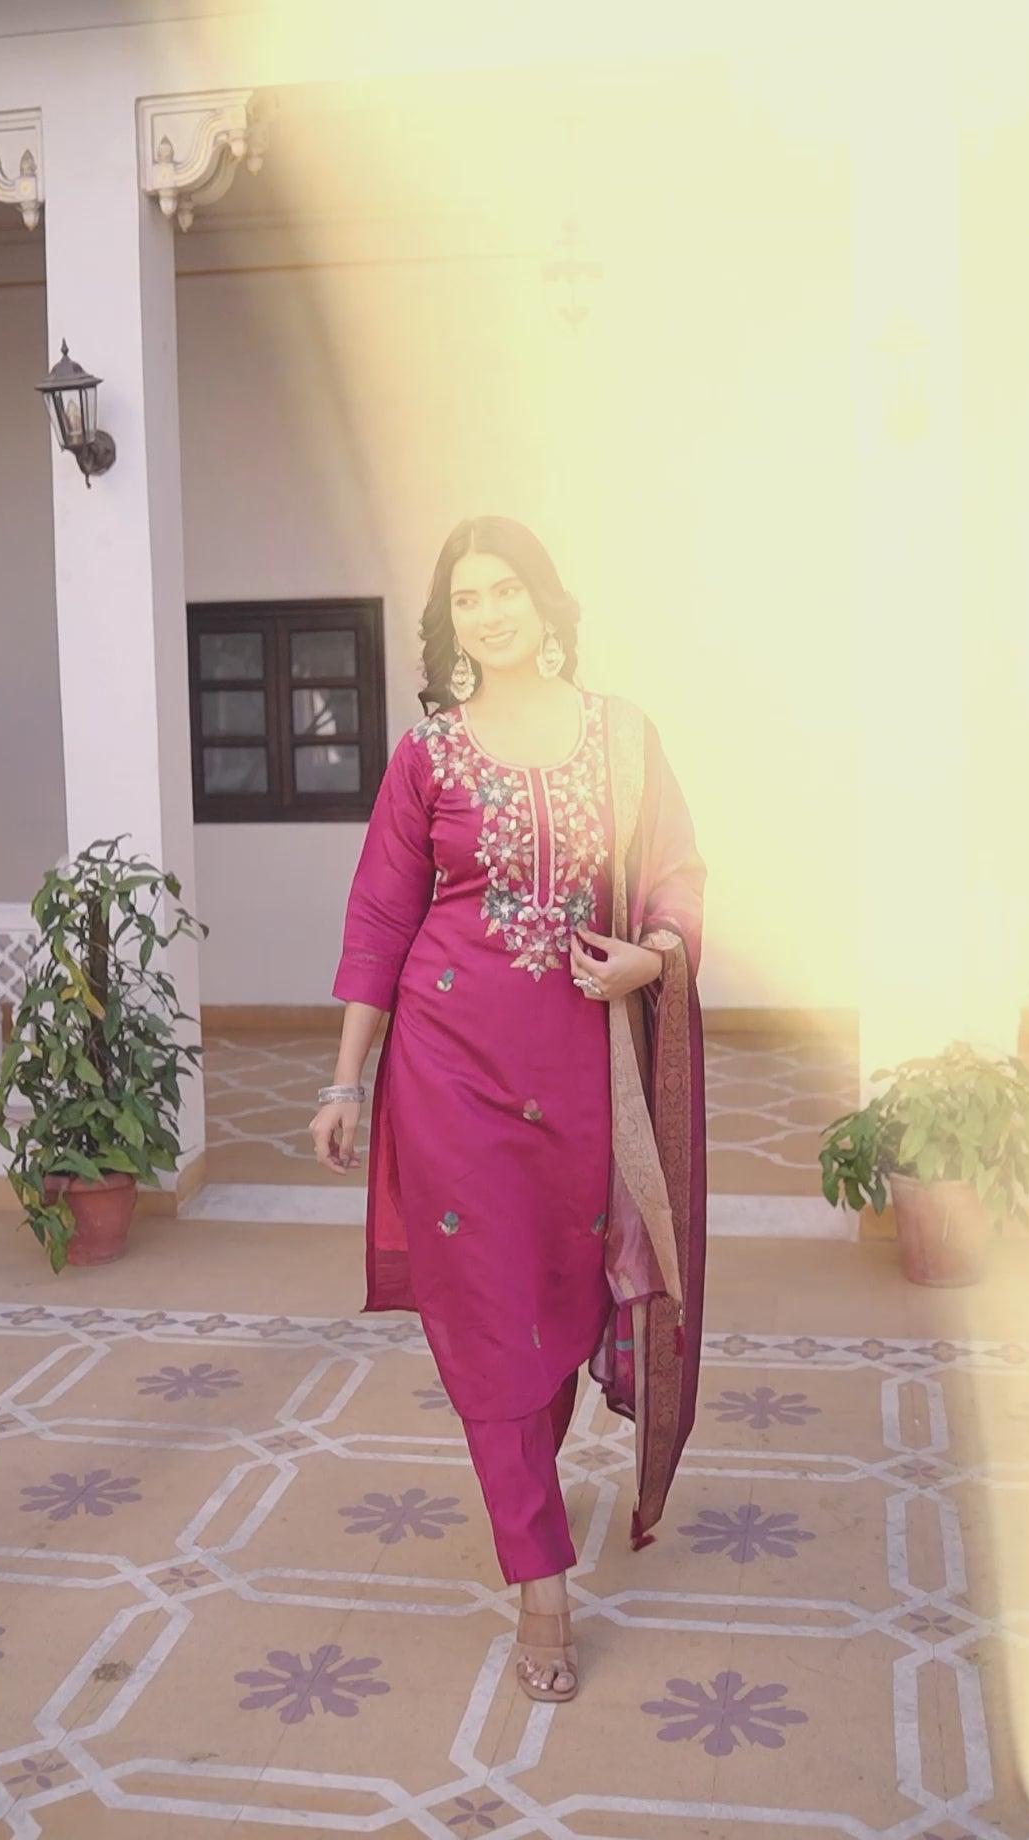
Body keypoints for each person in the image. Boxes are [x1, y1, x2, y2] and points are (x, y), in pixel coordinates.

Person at [310, 516, 707, 1704]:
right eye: (466, 599)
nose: (487, 614)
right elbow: (382, 917)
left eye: (505, 590)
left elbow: (678, 873)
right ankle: (541, 1580)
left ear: (546, 601)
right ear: (450, 623)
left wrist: (652, 957)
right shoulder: (428, 755)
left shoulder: (622, 737)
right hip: (449, 1072)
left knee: (566, 1298)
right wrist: (345, 1079)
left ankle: (533, 1495)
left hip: (587, 1076)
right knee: (489, 1321)